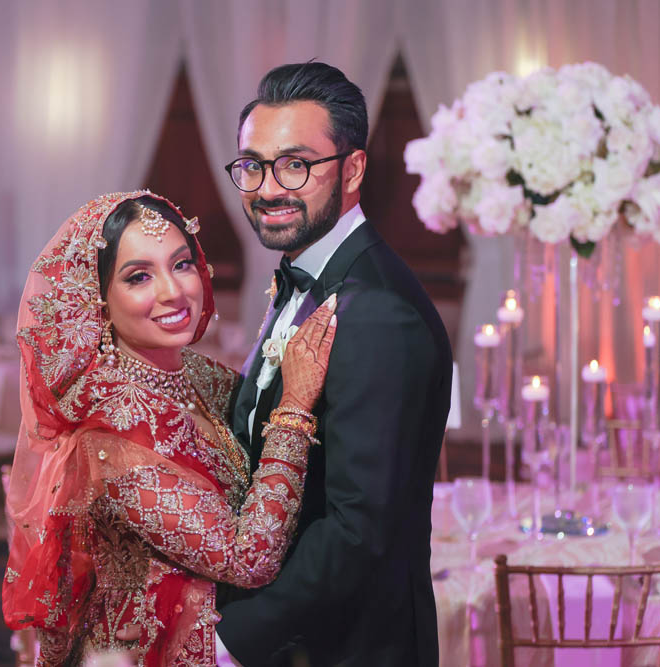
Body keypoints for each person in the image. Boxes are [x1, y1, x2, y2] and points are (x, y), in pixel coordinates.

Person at [2, 190, 337, 666]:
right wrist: (296, 405)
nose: (173, 291)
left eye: (181, 264)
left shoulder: (200, 377)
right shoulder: (108, 439)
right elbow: (249, 557)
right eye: (139, 276)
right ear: (99, 302)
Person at [215, 62, 453, 666]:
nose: (268, 188)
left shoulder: (376, 312)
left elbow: (357, 531)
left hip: (346, 648)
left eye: (296, 165)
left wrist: (228, 642)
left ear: (352, 169)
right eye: (253, 166)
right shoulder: (311, 280)